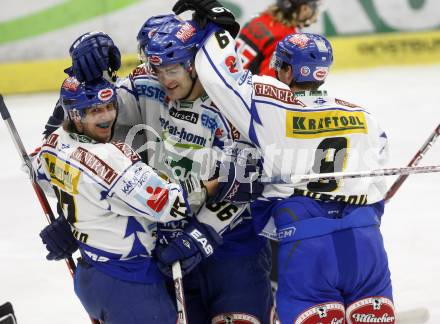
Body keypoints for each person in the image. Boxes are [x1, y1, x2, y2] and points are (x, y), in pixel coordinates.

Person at [171, 1, 395, 323]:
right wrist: (363, 217)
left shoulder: (271, 104)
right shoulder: (363, 116)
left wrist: (216, 29)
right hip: (365, 241)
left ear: (287, 70)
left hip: (306, 244)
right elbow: (378, 175)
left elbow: (219, 79)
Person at [42, 16, 274, 324]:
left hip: (232, 251)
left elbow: (247, 180)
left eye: (172, 70)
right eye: (158, 70)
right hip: (167, 249)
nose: (165, 80)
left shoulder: (233, 103)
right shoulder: (147, 86)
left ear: (194, 63)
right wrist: (81, 219)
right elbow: (74, 132)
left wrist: (202, 233)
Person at [36, 77, 223, 324]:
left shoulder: (54, 142)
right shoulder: (109, 157)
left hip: (93, 273)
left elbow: (43, 178)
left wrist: (80, 219)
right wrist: (217, 183)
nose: (107, 117)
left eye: (110, 106)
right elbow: (168, 203)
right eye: (95, 111)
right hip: (129, 283)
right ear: (75, 115)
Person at [236, 0, 321, 77]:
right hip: (241, 90)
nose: (314, 17)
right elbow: (267, 82)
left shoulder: (259, 18)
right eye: (311, 8)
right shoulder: (287, 40)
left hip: (229, 77)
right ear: (301, 9)